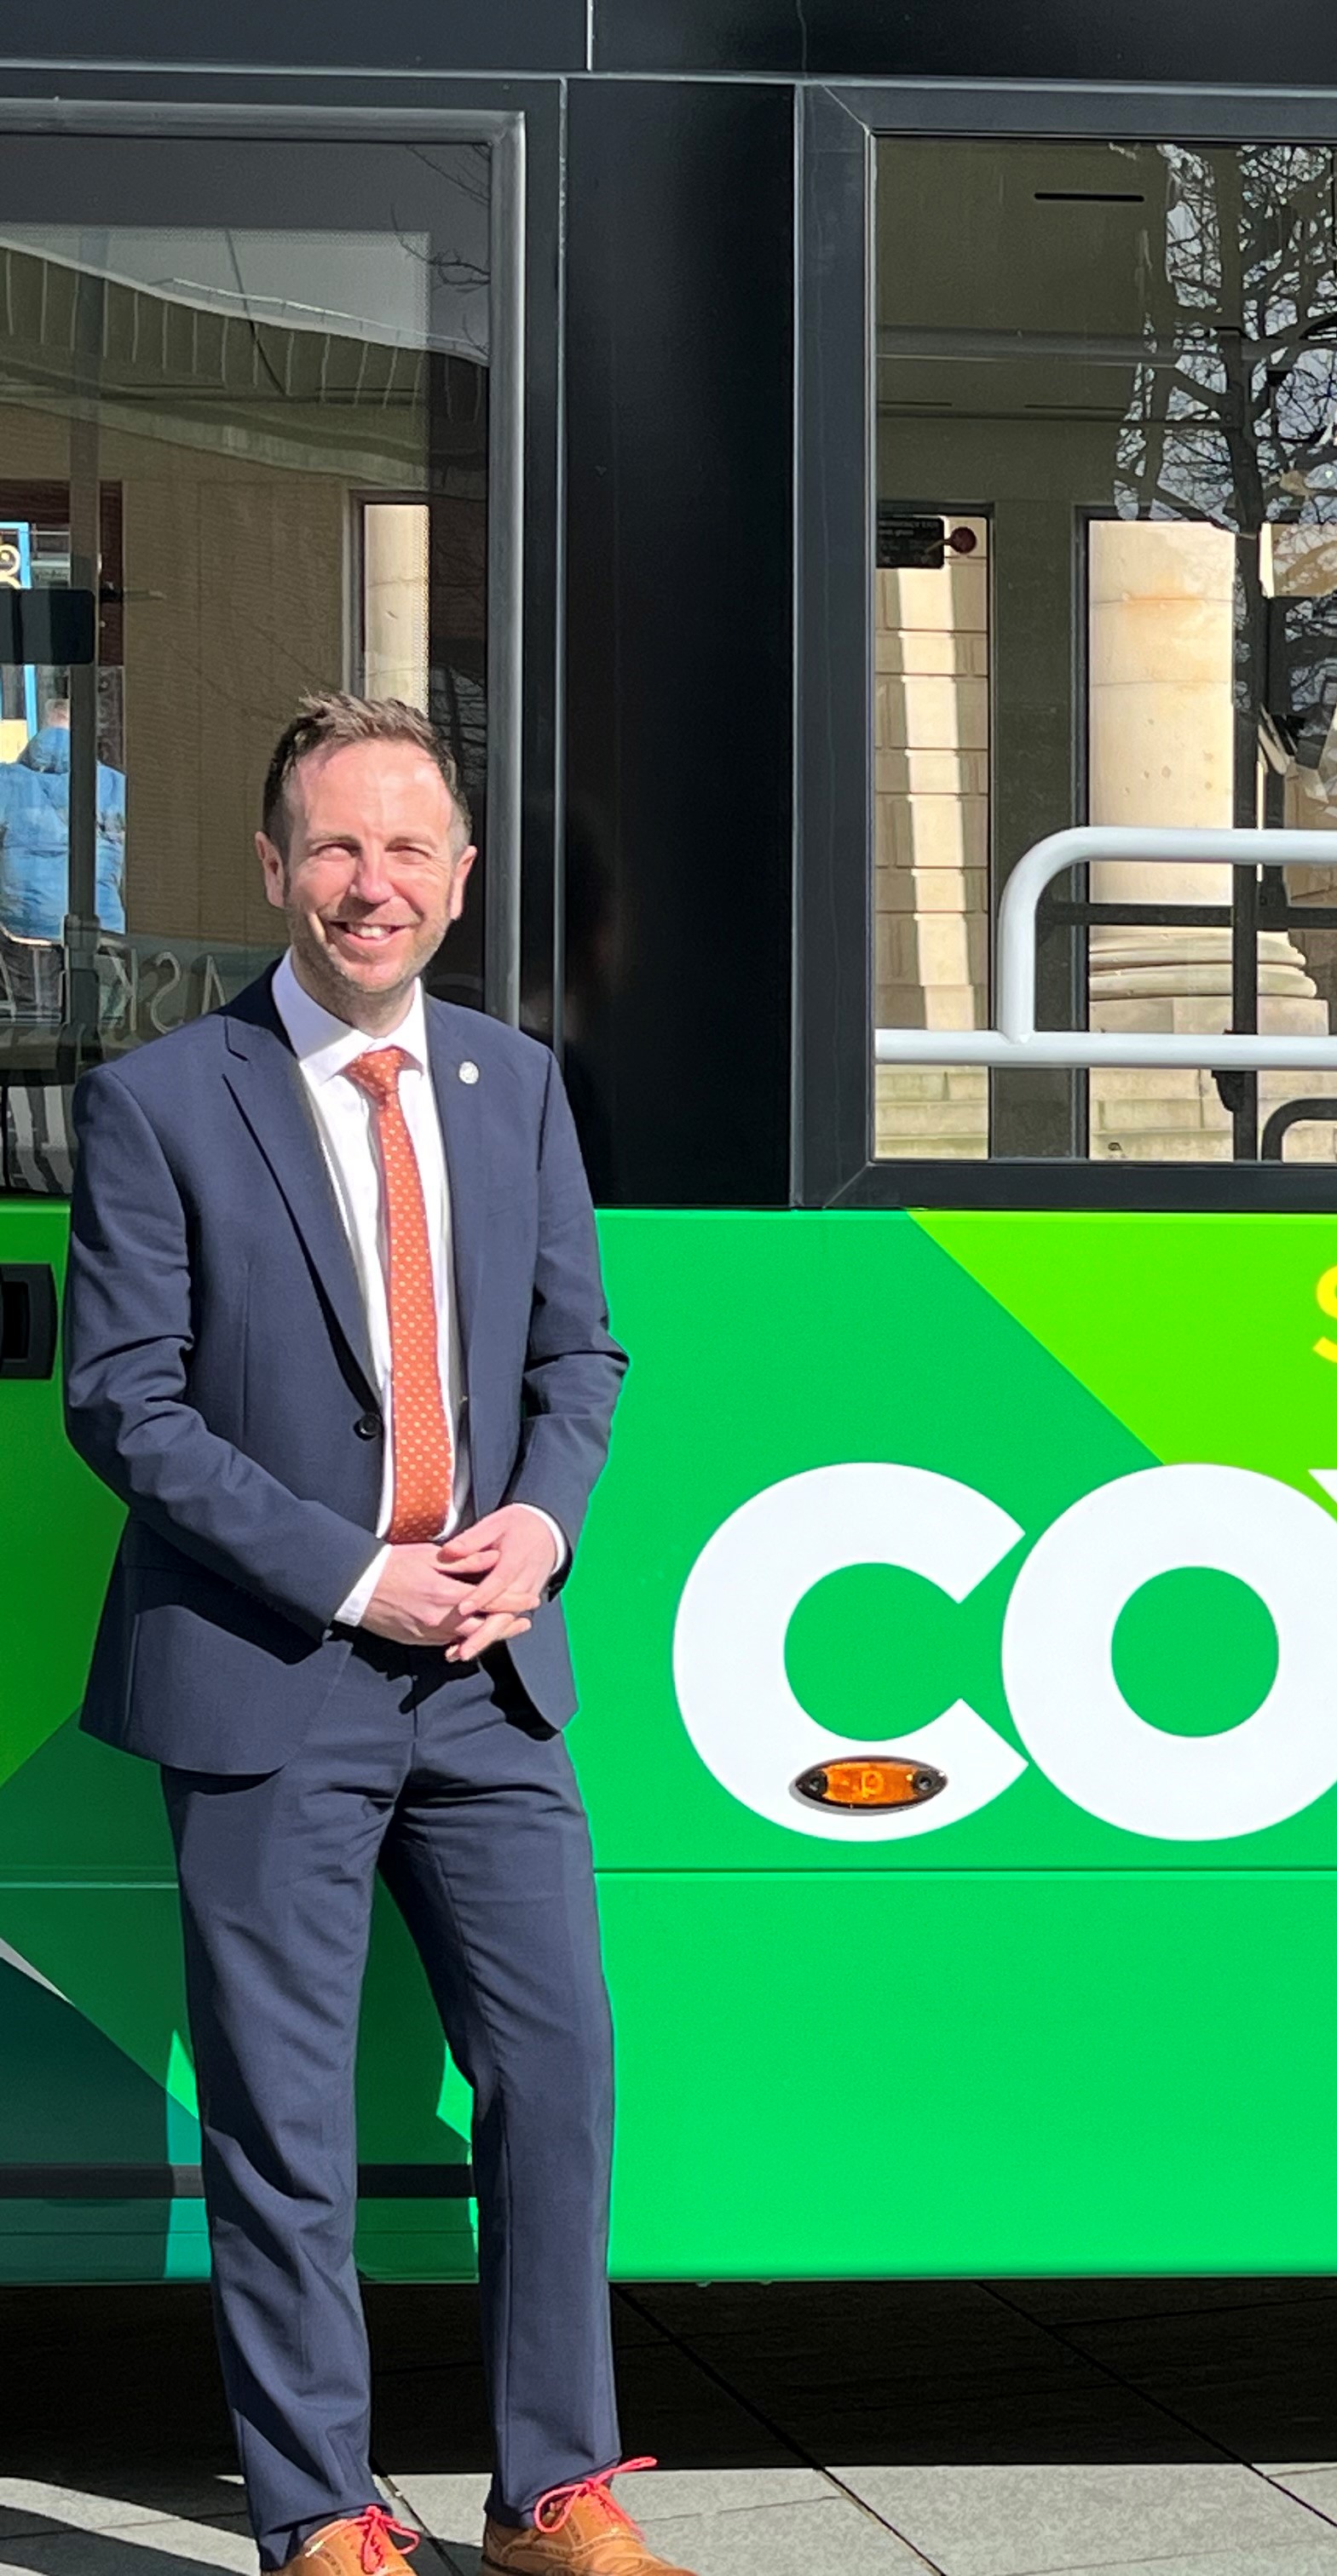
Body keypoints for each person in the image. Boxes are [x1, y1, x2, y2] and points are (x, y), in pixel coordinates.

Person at [62, 695, 682, 2576]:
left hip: (491, 1679)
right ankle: (321, 2512)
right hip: (272, 1677)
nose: (372, 884)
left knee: (557, 2072)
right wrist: (354, 1572)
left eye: (410, 848)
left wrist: (543, 1524)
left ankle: (551, 2489)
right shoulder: (163, 1100)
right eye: (335, 846)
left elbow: (582, 1353)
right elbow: (126, 1406)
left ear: (463, 876)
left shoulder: (516, 1084)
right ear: (272, 868)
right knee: (282, 2117)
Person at [0, 670, 130, 940]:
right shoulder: (116, 785)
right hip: (102, 929)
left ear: (44, 727)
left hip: (21, 930)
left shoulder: (6, 781)